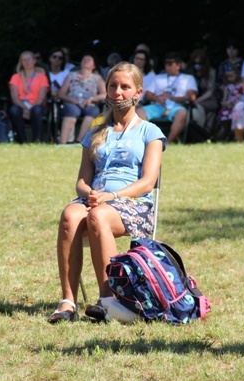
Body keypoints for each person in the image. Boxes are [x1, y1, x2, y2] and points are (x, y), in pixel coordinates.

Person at [48, 62, 164, 324]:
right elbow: (81, 180)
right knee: (70, 214)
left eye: (125, 87)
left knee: (98, 216)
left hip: (133, 205)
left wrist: (112, 197)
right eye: (113, 86)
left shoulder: (150, 132)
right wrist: (89, 192)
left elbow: (148, 182)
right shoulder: (95, 133)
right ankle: (68, 301)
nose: (117, 92)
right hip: (96, 200)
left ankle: (108, 300)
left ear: (138, 92)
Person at [136, 52, 198, 144]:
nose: (167, 66)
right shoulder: (158, 77)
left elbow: (191, 97)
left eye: (170, 64)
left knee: (182, 114)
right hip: (158, 106)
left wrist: (173, 98)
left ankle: (167, 143)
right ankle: (143, 142)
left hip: (176, 106)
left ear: (178, 65)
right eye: (165, 64)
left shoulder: (188, 78)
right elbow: (147, 94)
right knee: (139, 112)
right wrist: (157, 98)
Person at [57, 54, 106, 144]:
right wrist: (72, 100)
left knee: (92, 111)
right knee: (72, 110)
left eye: (89, 59)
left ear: (94, 66)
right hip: (73, 103)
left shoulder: (97, 78)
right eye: (84, 59)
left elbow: (105, 94)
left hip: (90, 104)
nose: (86, 60)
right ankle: (62, 142)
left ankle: (80, 142)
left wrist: (92, 99)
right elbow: (61, 93)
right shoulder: (71, 75)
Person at [8, 51, 49, 143]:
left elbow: (41, 98)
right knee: (14, 110)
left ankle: (37, 139)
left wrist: (29, 108)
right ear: (21, 62)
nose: (26, 62)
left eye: (29, 59)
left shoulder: (42, 76)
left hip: (37, 104)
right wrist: (25, 108)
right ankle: (22, 140)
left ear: (34, 61)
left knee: (37, 110)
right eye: (24, 60)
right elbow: (14, 98)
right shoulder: (15, 77)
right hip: (21, 104)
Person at [189, 48, 218, 134]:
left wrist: (198, 100)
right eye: (195, 63)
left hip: (208, 100)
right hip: (193, 99)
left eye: (200, 63)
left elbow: (210, 91)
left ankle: (204, 132)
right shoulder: (191, 72)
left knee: (201, 108)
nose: (197, 66)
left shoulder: (211, 72)